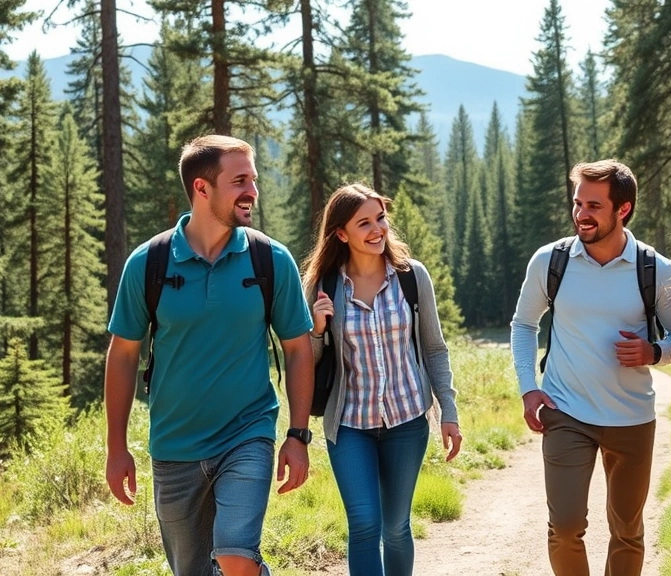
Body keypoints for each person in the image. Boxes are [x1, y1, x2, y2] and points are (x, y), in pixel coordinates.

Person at [104, 135, 315, 576]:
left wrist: (297, 435)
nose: (252, 192)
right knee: (193, 571)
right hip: (174, 446)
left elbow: (297, 350)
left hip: (247, 434)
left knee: (236, 556)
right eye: (239, 181)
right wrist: (116, 447)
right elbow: (123, 356)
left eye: (253, 180)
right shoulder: (150, 263)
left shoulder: (269, 260)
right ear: (202, 188)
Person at [511, 159, 671, 575]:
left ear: (623, 209)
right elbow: (523, 324)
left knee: (627, 530)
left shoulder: (654, 269)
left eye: (593, 206)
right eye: (577, 203)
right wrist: (528, 386)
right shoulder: (551, 261)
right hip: (566, 412)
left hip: (632, 417)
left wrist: (653, 353)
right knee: (566, 526)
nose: (581, 215)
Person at [301, 183, 462, 576]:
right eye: (364, 223)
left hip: (407, 421)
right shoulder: (324, 287)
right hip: (350, 425)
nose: (378, 230)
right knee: (364, 525)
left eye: (381, 218)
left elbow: (435, 349)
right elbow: (307, 361)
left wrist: (449, 411)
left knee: (395, 527)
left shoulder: (411, 277)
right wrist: (318, 329)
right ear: (341, 233)